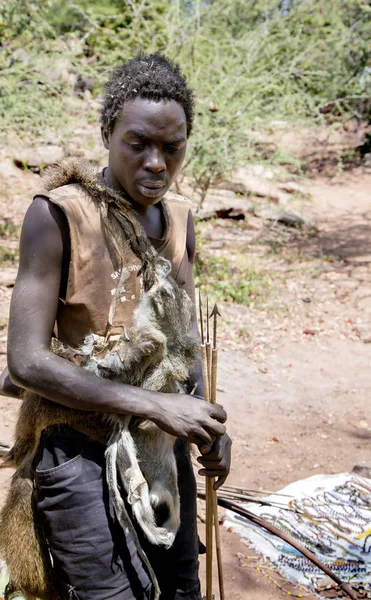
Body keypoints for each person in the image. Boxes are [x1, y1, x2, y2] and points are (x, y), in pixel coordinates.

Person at [0, 53, 231, 600]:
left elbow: (183, 342)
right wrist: (154, 405)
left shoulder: (178, 222)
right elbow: (26, 362)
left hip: (160, 450)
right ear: (108, 134)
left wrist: (210, 424)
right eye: (138, 144)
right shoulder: (58, 215)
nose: (156, 163)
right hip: (77, 447)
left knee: (180, 591)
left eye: (172, 148)